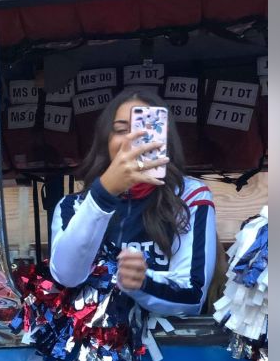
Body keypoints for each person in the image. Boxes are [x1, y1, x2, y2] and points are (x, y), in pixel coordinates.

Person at [47, 89, 216, 317]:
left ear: (165, 139)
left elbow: (192, 297)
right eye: (120, 130)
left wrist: (143, 282)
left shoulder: (189, 196)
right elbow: (67, 276)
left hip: (167, 346)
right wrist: (103, 194)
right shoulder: (73, 205)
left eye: (144, 129)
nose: (132, 139)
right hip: (94, 346)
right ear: (105, 140)